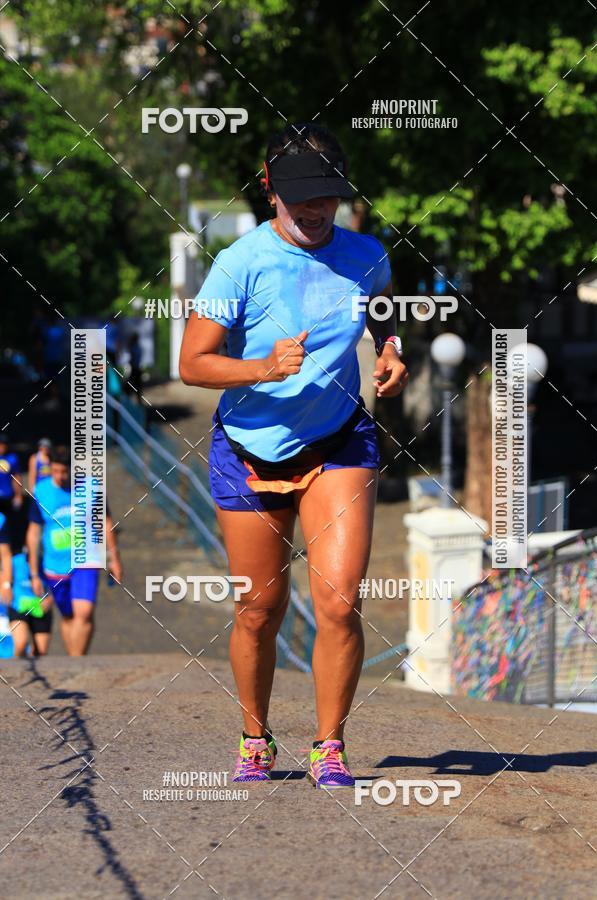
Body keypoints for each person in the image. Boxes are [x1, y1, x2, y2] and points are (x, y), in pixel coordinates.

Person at [180, 123, 408, 789]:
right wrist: (260, 366)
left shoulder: (366, 252)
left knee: (339, 603)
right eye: (301, 197)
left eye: (328, 197)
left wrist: (391, 349)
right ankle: (255, 737)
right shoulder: (240, 263)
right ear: (270, 188)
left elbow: (380, 310)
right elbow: (191, 363)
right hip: (252, 450)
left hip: (340, 439)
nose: (315, 210)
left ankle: (329, 746)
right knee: (259, 610)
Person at [26, 446, 123, 656]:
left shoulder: (92, 487)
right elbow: (33, 533)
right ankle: (75, 661)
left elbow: (106, 522)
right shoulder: (41, 491)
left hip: (86, 557)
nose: (60, 476)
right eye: (55, 471)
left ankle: (77, 661)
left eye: (64, 471)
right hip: (55, 565)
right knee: (69, 616)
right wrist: (34, 573)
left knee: (84, 611)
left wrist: (114, 558)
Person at [0, 433, 23, 520]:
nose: (2, 447)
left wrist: (18, 495)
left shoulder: (12, 458)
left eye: (4, 444)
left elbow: (16, 477)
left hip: (8, 496)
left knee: (8, 521)